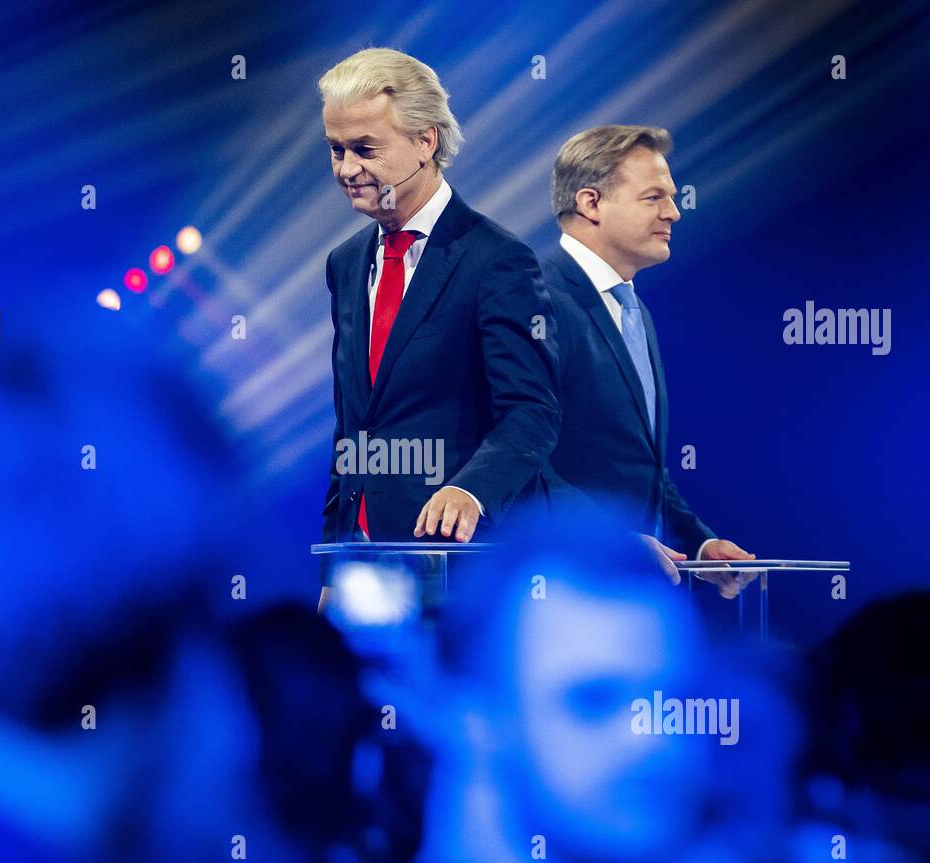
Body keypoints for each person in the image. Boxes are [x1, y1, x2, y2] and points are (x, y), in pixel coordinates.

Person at [318, 48, 560, 552]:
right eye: (337, 149)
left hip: (462, 556)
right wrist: (337, 558)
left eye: (365, 148)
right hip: (366, 559)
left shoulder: (497, 260)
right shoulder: (345, 263)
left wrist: (471, 490)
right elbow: (354, 426)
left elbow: (531, 410)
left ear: (426, 141)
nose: (346, 168)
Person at [541, 125, 754, 595]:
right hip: (558, 588)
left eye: (672, 197)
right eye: (654, 197)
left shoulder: (633, 310)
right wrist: (612, 540)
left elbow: (641, 466)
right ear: (590, 203)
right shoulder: (534, 300)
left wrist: (699, 544)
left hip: (630, 593)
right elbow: (516, 462)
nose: (674, 213)